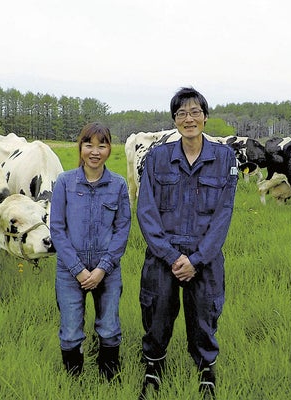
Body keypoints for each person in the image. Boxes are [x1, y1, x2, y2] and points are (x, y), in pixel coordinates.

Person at [137, 87, 238, 399]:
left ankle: (206, 370)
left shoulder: (224, 158)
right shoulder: (157, 157)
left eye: (195, 112)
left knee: (204, 316)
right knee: (156, 313)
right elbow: (146, 210)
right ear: (174, 121)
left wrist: (196, 259)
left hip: (204, 256)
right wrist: (169, 256)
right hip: (162, 253)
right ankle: (154, 366)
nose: (188, 118)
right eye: (181, 113)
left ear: (205, 118)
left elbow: (223, 215)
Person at [50, 122, 131, 381]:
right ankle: (73, 380)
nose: (94, 151)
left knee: (109, 328)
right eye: (89, 144)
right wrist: (78, 270)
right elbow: (57, 229)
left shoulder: (118, 185)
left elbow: (122, 230)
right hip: (69, 270)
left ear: (109, 149)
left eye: (102, 145)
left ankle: (109, 378)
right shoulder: (64, 182)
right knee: (71, 330)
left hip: (107, 270)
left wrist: (101, 269)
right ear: (81, 147)